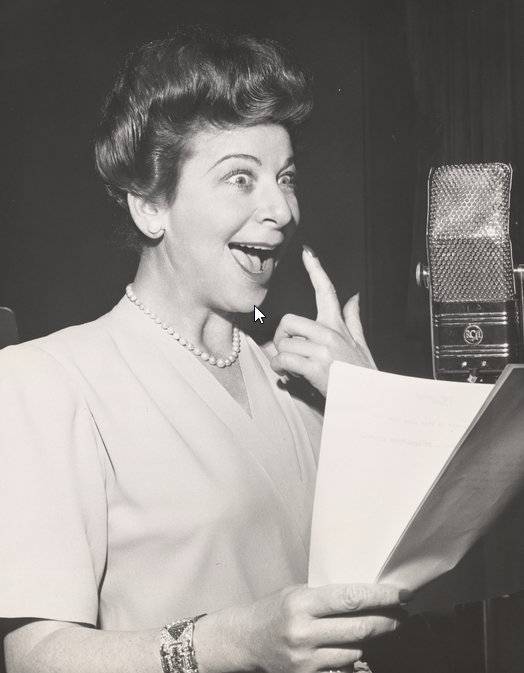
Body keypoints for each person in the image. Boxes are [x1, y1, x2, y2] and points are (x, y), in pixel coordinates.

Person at [0, 30, 410, 673]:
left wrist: (372, 410)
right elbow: (34, 658)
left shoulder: (304, 380)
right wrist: (236, 643)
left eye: (286, 178)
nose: (280, 207)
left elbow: (393, 582)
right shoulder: (48, 382)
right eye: (240, 179)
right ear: (150, 206)